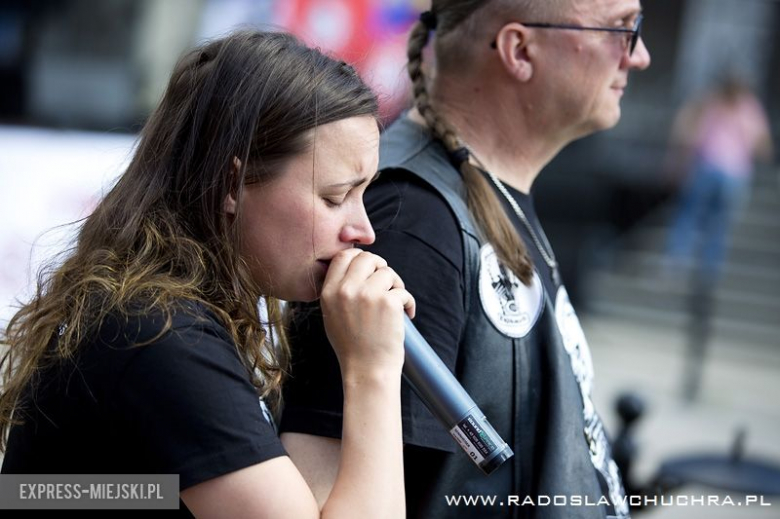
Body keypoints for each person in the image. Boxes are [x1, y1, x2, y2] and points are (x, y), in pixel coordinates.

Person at [0, 30, 415, 519]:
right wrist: (373, 370)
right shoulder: (158, 335)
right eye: (333, 196)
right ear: (230, 183)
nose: (363, 230)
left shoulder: (164, 314)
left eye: (362, 195)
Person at [280, 1, 650, 518]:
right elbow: (327, 497)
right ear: (520, 50)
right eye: (621, 29)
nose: (639, 57)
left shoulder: (476, 192)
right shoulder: (410, 220)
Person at [665, 75, 773, 286]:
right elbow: (761, 142)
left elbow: (690, 132)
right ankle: (708, 268)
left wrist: (679, 160)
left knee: (691, 215)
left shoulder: (712, 102)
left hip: (709, 166)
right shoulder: (749, 108)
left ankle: (678, 262)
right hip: (734, 173)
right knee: (717, 224)